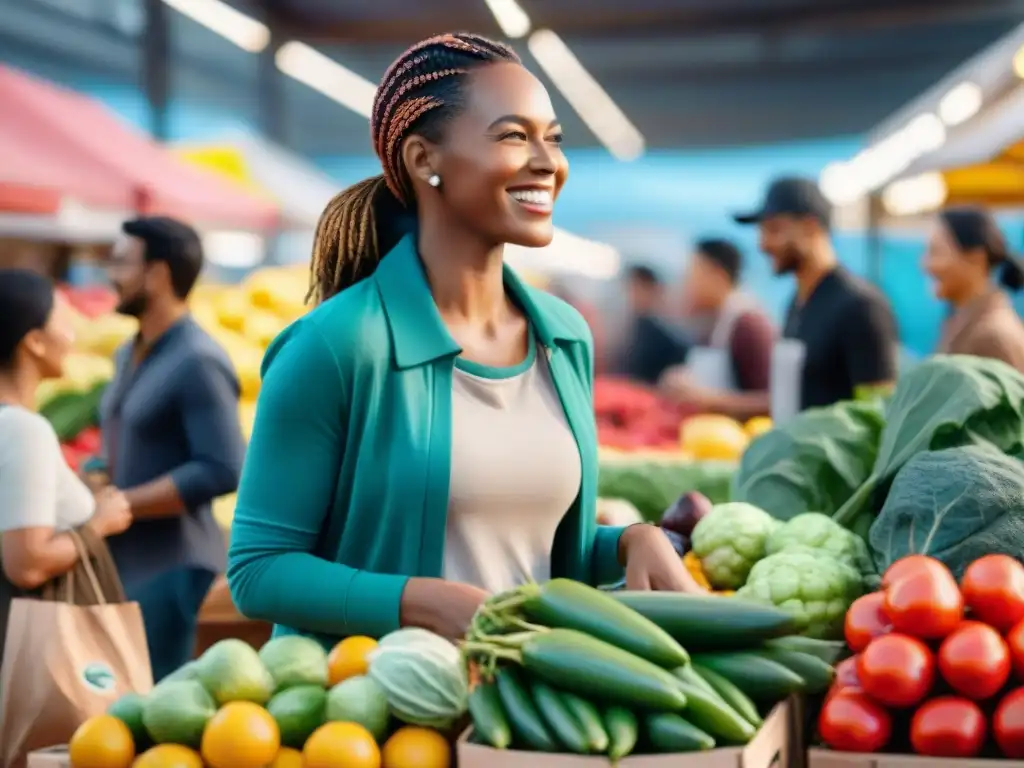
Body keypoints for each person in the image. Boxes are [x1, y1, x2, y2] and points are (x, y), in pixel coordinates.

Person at [227, 32, 699, 647]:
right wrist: (417, 603)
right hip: (373, 722)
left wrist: (631, 541)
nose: (547, 162)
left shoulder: (563, 338)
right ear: (425, 160)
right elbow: (257, 570)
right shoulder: (336, 346)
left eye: (552, 138)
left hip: (522, 710)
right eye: (512, 136)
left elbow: (538, 549)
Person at [102, 217, 245, 680]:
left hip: (174, 572)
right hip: (125, 566)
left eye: (122, 262)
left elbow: (223, 468)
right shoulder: (129, 351)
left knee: (156, 716)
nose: (109, 273)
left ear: (158, 275)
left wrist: (124, 503)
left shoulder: (198, 360)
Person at [0, 269, 132, 603]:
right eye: (63, 322)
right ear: (35, 342)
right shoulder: (23, 429)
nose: (72, 336)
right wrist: (99, 523)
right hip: (26, 645)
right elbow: (26, 565)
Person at [732, 177, 898, 421]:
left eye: (774, 230)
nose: (763, 244)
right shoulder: (797, 304)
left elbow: (880, 414)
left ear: (811, 227)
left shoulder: (860, 307)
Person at [660, 238, 775, 418]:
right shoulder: (714, 320)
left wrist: (709, 400)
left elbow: (773, 402)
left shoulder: (749, 325)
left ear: (717, 275)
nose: (687, 285)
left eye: (693, 275)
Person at [924, 206, 1024, 371]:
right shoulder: (966, 322)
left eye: (936, 252)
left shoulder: (992, 338)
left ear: (976, 259)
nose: (925, 264)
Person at [612, 265, 692, 385]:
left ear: (652, 290)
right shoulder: (633, 326)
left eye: (638, 288)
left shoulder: (665, 335)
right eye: (631, 289)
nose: (633, 295)